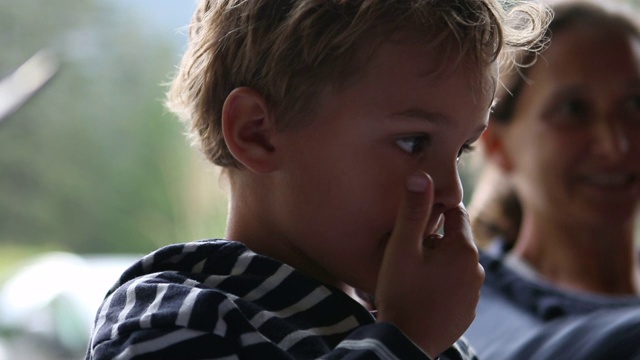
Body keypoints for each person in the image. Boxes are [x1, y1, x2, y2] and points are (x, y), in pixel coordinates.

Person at [84, 1, 548, 359]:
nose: (451, 194)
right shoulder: (170, 318)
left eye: (461, 150)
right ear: (257, 133)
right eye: (412, 142)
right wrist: (406, 339)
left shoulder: (416, 327)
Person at [463, 0, 640, 359]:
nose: (615, 145)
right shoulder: (464, 313)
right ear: (497, 144)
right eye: (573, 110)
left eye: (636, 106)